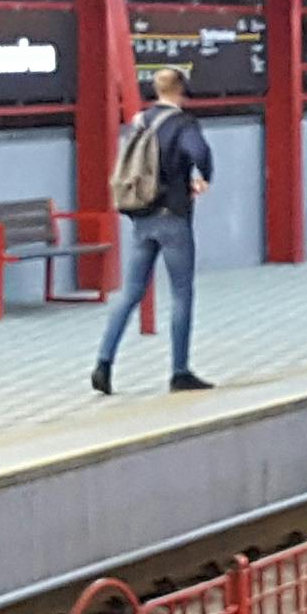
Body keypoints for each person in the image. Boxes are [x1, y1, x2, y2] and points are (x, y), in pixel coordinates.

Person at [91, 64, 220, 398]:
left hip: (141, 216)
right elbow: (200, 152)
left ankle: (103, 362)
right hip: (173, 216)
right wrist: (203, 176)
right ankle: (179, 371)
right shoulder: (182, 124)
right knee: (181, 293)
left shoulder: (140, 121)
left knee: (131, 292)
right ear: (181, 90)